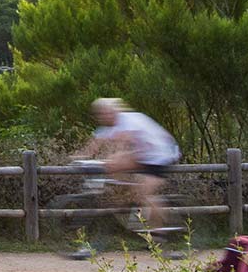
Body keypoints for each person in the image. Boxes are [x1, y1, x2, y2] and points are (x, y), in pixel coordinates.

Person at [69, 97, 182, 258]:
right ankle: (128, 198)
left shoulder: (129, 121)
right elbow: (93, 145)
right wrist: (77, 159)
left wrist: (111, 159)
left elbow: (123, 145)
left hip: (161, 154)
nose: (103, 116)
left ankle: (159, 236)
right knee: (113, 167)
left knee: (145, 194)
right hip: (144, 155)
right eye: (100, 114)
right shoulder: (108, 126)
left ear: (115, 111)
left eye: (106, 112)